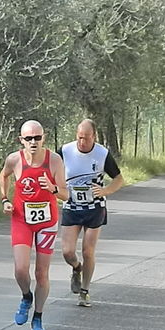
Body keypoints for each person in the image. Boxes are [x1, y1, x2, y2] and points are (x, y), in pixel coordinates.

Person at [0, 120, 68, 330]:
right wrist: (4, 199)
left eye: (37, 137)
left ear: (43, 138)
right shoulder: (14, 160)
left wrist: (54, 188)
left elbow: (66, 195)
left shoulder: (54, 161)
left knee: (41, 273)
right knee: (20, 269)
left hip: (47, 222)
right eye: (28, 138)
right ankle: (26, 296)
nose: (33, 142)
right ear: (21, 140)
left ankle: (37, 317)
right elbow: (3, 176)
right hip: (22, 219)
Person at [58, 119, 124, 307]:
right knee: (67, 252)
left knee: (88, 251)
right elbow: (51, 170)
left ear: (93, 136)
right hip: (72, 206)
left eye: (86, 138)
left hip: (95, 208)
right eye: (79, 138)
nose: (82, 142)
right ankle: (76, 268)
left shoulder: (102, 154)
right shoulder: (64, 151)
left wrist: (105, 191)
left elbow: (119, 179)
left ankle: (85, 291)